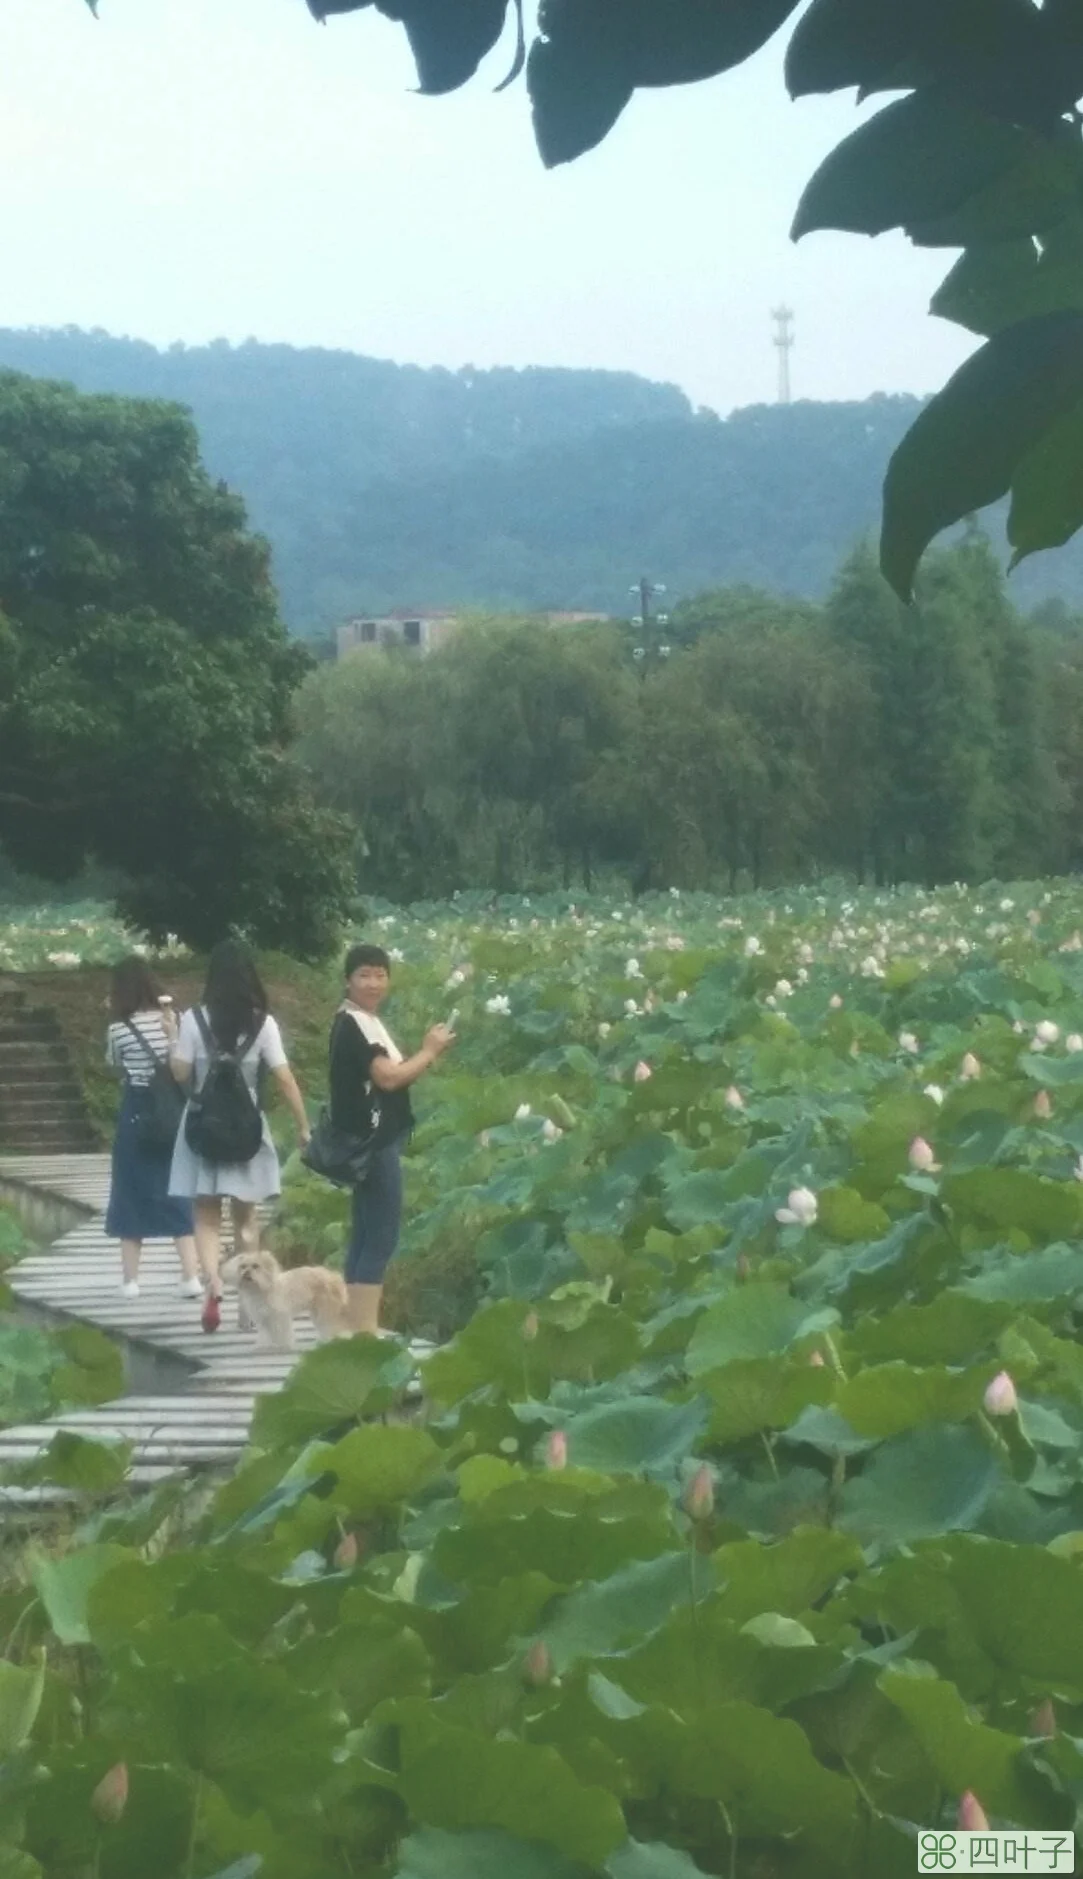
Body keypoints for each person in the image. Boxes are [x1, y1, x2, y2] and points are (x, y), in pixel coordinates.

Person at [168, 939, 310, 1331]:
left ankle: (214, 1282)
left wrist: (172, 1041)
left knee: (206, 1214)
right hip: (246, 1127)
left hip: (203, 1126)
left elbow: (180, 1073)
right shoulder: (263, 1023)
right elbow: (283, 1076)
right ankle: (247, 1311)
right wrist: (302, 1125)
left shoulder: (193, 1020)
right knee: (247, 1218)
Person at [329, 942, 455, 1336]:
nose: (373, 983)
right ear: (347, 980)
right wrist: (429, 1051)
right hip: (374, 1141)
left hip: (369, 1140)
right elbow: (389, 1077)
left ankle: (352, 1326)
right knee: (381, 1237)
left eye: (380, 974)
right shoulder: (354, 1024)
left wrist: (425, 1054)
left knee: (366, 1234)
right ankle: (365, 1332)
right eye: (363, 975)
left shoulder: (364, 1019)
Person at [104, 957, 199, 1299]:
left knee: (129, 1190)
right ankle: (191, 1276)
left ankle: (130, 1281)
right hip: (172, 1113)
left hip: (136, 1112)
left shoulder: (118, 1028)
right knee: (177, 1188)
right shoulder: (177, 1019)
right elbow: (184, 1065)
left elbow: (115, 1065)